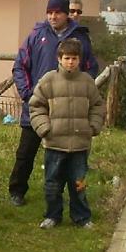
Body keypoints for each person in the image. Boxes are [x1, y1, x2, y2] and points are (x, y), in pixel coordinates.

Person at [9, 0, 98, 207]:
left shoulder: (80, 39)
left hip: (68, 110)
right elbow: (20, 66)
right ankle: (17, 191)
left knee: (68, 157)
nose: (52, 16)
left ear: (66, 14)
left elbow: (90, 70)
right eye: (49, 12)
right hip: (37, 107)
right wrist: (28, 94)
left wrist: (80, 97)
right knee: (25, 153)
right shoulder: (36, 35)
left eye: (57, 12)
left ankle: (71, 199)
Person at [29, 38, 105, 229]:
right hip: (54, 144)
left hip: (80, 145)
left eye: (74, 58)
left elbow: (98, 106)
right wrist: (45, 128)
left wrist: (93, 126)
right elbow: (36, 106)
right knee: (52, 184)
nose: (70, 62)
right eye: (67, 58)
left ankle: (82, 217)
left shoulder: (87, 82)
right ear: (59, 59)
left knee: (79, 184)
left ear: (80, 60)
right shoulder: (48, 80)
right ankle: (52, 216)